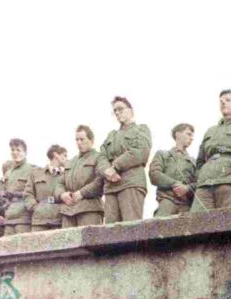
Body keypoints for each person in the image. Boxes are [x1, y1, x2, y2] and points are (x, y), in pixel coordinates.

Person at [98, 96, 151, 224]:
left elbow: (140, 152)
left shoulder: (141, 129)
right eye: (114, 111)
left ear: (131, 110)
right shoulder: (112, 135)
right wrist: (107, 171)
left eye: (120, 109)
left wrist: (115, 166)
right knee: (110, 232)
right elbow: (101, 157)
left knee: (131, 228)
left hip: (131, 183)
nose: (117, 113)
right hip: (111, 186)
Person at [59, 126, 104, 229]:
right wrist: (62, 194)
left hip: (89, 210)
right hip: (69, 211)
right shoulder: (71, 162)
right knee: (68, 244)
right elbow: (59, 183)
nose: (79, 142)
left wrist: (82, 193)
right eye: (77, 140)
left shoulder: (99, 157)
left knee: (91, 243)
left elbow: (100, 180)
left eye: (82, 139)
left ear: (91, 140)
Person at [149, 123, 196, 217]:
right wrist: (174, 183)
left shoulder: (194, 162)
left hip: (186, 204)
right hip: (167, 199)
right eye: (188, 134)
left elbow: (199, 182)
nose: (192, 138)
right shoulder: (162, 155)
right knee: (158, 227)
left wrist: (187, 188)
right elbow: (154, 174)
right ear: (178, 134)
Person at [0, 139, 34, 236]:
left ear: (25, 152)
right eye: (13, 150)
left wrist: (14, 194)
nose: (15, 153)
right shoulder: (9, 172)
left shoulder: (32, 170)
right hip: (9, 218)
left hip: (23, 218)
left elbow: (34, 194)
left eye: (18, 150)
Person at [23, 145, 68, 232]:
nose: (66, 159)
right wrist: (35, 207)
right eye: (65, 155)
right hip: (39, 221)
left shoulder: (66, 175)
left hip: (59, 220)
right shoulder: (36, 173)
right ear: (56, 155)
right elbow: (27, 194)